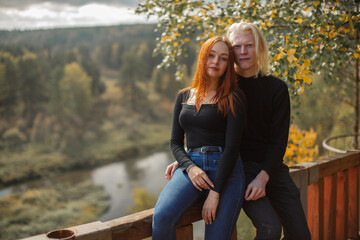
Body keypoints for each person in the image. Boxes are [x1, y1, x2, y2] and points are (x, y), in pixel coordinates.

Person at [165, 22, 311, 240]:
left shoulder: (276, 88)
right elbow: (203, 123)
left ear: (259, 47)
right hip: (237, 168)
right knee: (270, 229)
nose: (243, 52)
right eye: (237, 47)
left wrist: (264, 176)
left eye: (249, 45)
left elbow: (278, 141)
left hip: (271, 168)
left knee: (301, 234)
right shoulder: (223, 88)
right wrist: (189, 155)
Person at [152, 36, 247, 240]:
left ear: (228, 65)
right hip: (192, 167)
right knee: (161, 217)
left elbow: (232, 147)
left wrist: (215, 193)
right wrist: (189, 166)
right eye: (211, 55)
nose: (215, 62)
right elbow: (175, 142)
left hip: (226, 170)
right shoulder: (184, 96)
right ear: (203, 58)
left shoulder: (234, 97)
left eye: (222, 58)